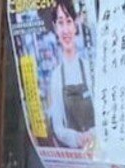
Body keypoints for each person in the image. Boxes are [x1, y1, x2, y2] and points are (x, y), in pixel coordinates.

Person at [41, 0, 96, 150]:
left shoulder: (89, 68)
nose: (65, 29)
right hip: (74, 156)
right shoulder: (56, 76)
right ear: (55, 27)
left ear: (75, 24)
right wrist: (77, 138)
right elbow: (58, 128)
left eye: (69, 21)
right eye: (60, 23)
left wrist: (92, 134)